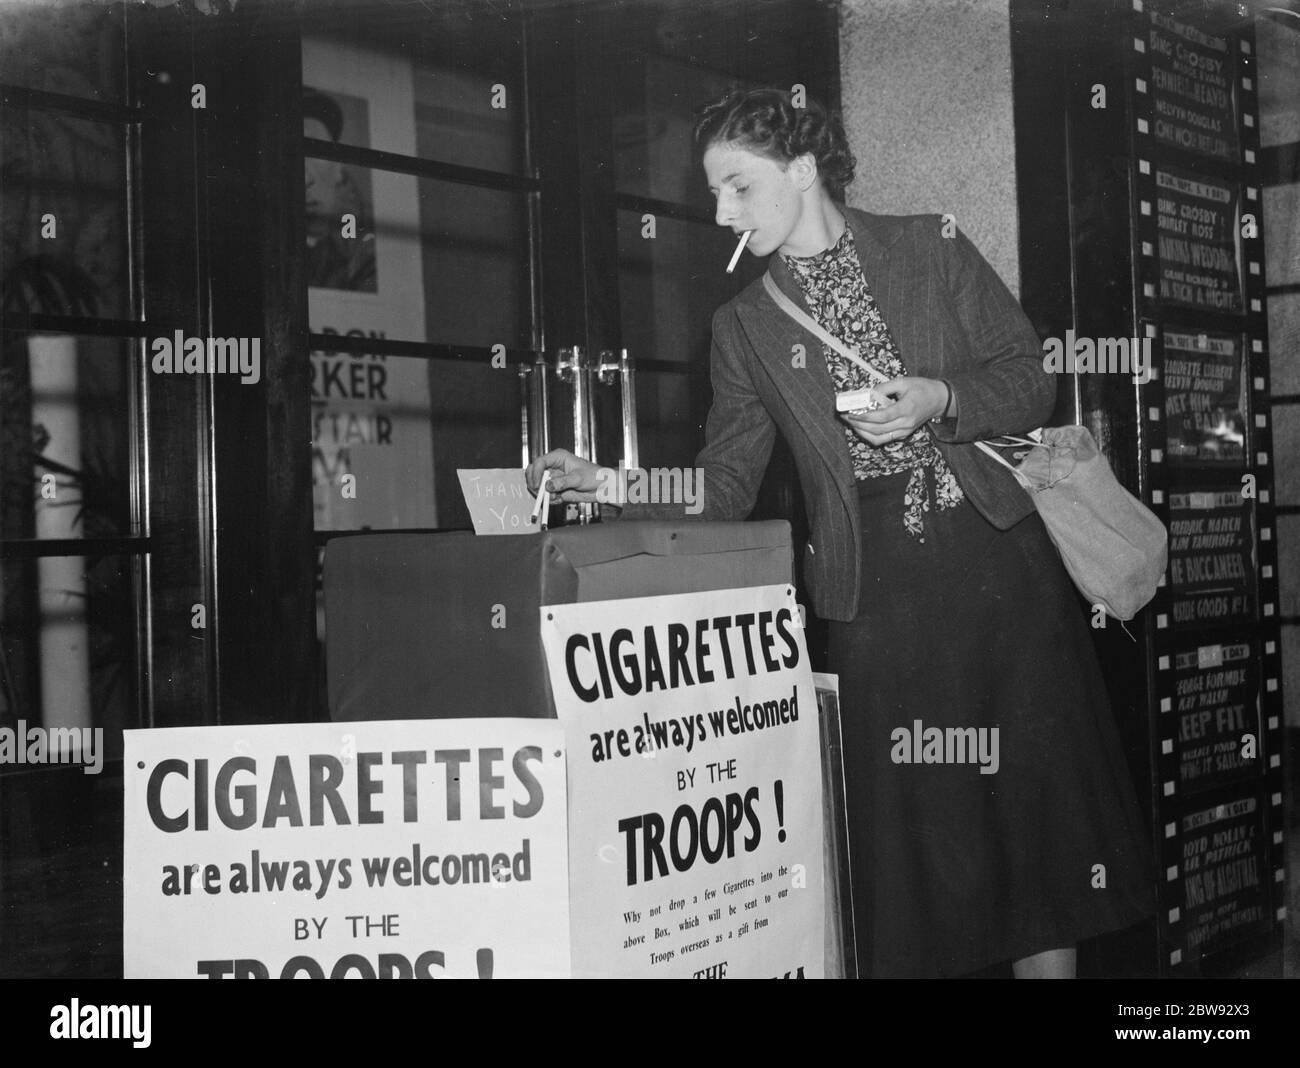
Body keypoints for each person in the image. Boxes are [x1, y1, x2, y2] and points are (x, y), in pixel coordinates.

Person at [526, 87, 1154, 979]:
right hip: (879, 601)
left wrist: (940, 399)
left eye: (737, 187)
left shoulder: (927, 244)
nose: (721, 213)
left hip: (1000, 575)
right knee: (912, 858)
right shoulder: (742, 325)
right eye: (714, 196)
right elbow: (724, 486)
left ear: (805, 168)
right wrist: (616, 483)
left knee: (1037, 835)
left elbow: (1027, 379)